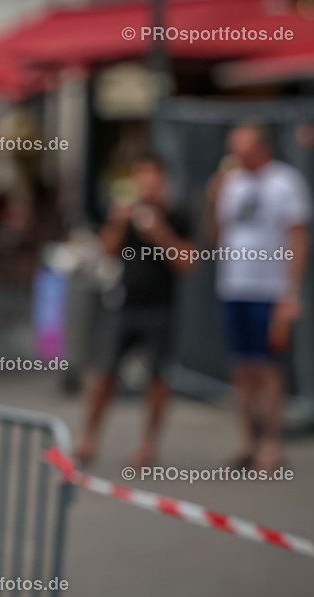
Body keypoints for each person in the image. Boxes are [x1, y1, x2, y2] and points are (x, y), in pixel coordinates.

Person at [74, 153, 194, 467]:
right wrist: (117, 221)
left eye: (153, 177)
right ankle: (88, 438)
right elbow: (104, 253)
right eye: (142, 177)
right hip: (124, 305)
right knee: (103, 375)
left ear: (163, 181)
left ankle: (148, 446)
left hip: (161, 308)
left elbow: (187, 263)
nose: (148, 184)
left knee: (156, 378)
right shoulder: (127, 216)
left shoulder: (177, 215)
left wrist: (160, 234)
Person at [207, 123, 311, 472]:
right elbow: (217, 235)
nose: (234, 153)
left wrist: (290, 291)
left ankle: (271, 443)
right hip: (234, 285)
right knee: (242, 368)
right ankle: (246, 443)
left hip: (268, 288)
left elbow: (297, 237)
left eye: (240, 146)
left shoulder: (285, 182)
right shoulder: (232, 184)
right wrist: (212, 200)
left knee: (268, 369)